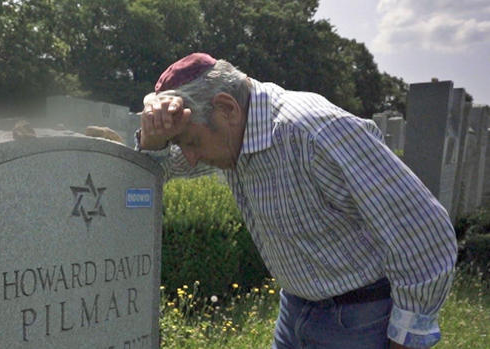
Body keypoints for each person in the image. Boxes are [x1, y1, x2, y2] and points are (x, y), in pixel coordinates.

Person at [136, 53, 457, 349]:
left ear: (227, 108)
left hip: (362, 319)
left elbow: (424, 233)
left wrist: (406, 338)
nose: (190, 159)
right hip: (294, 309)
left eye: (190, 143)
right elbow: (158, 170)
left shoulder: (314, 131)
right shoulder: (230, 128)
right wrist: (153, 141)